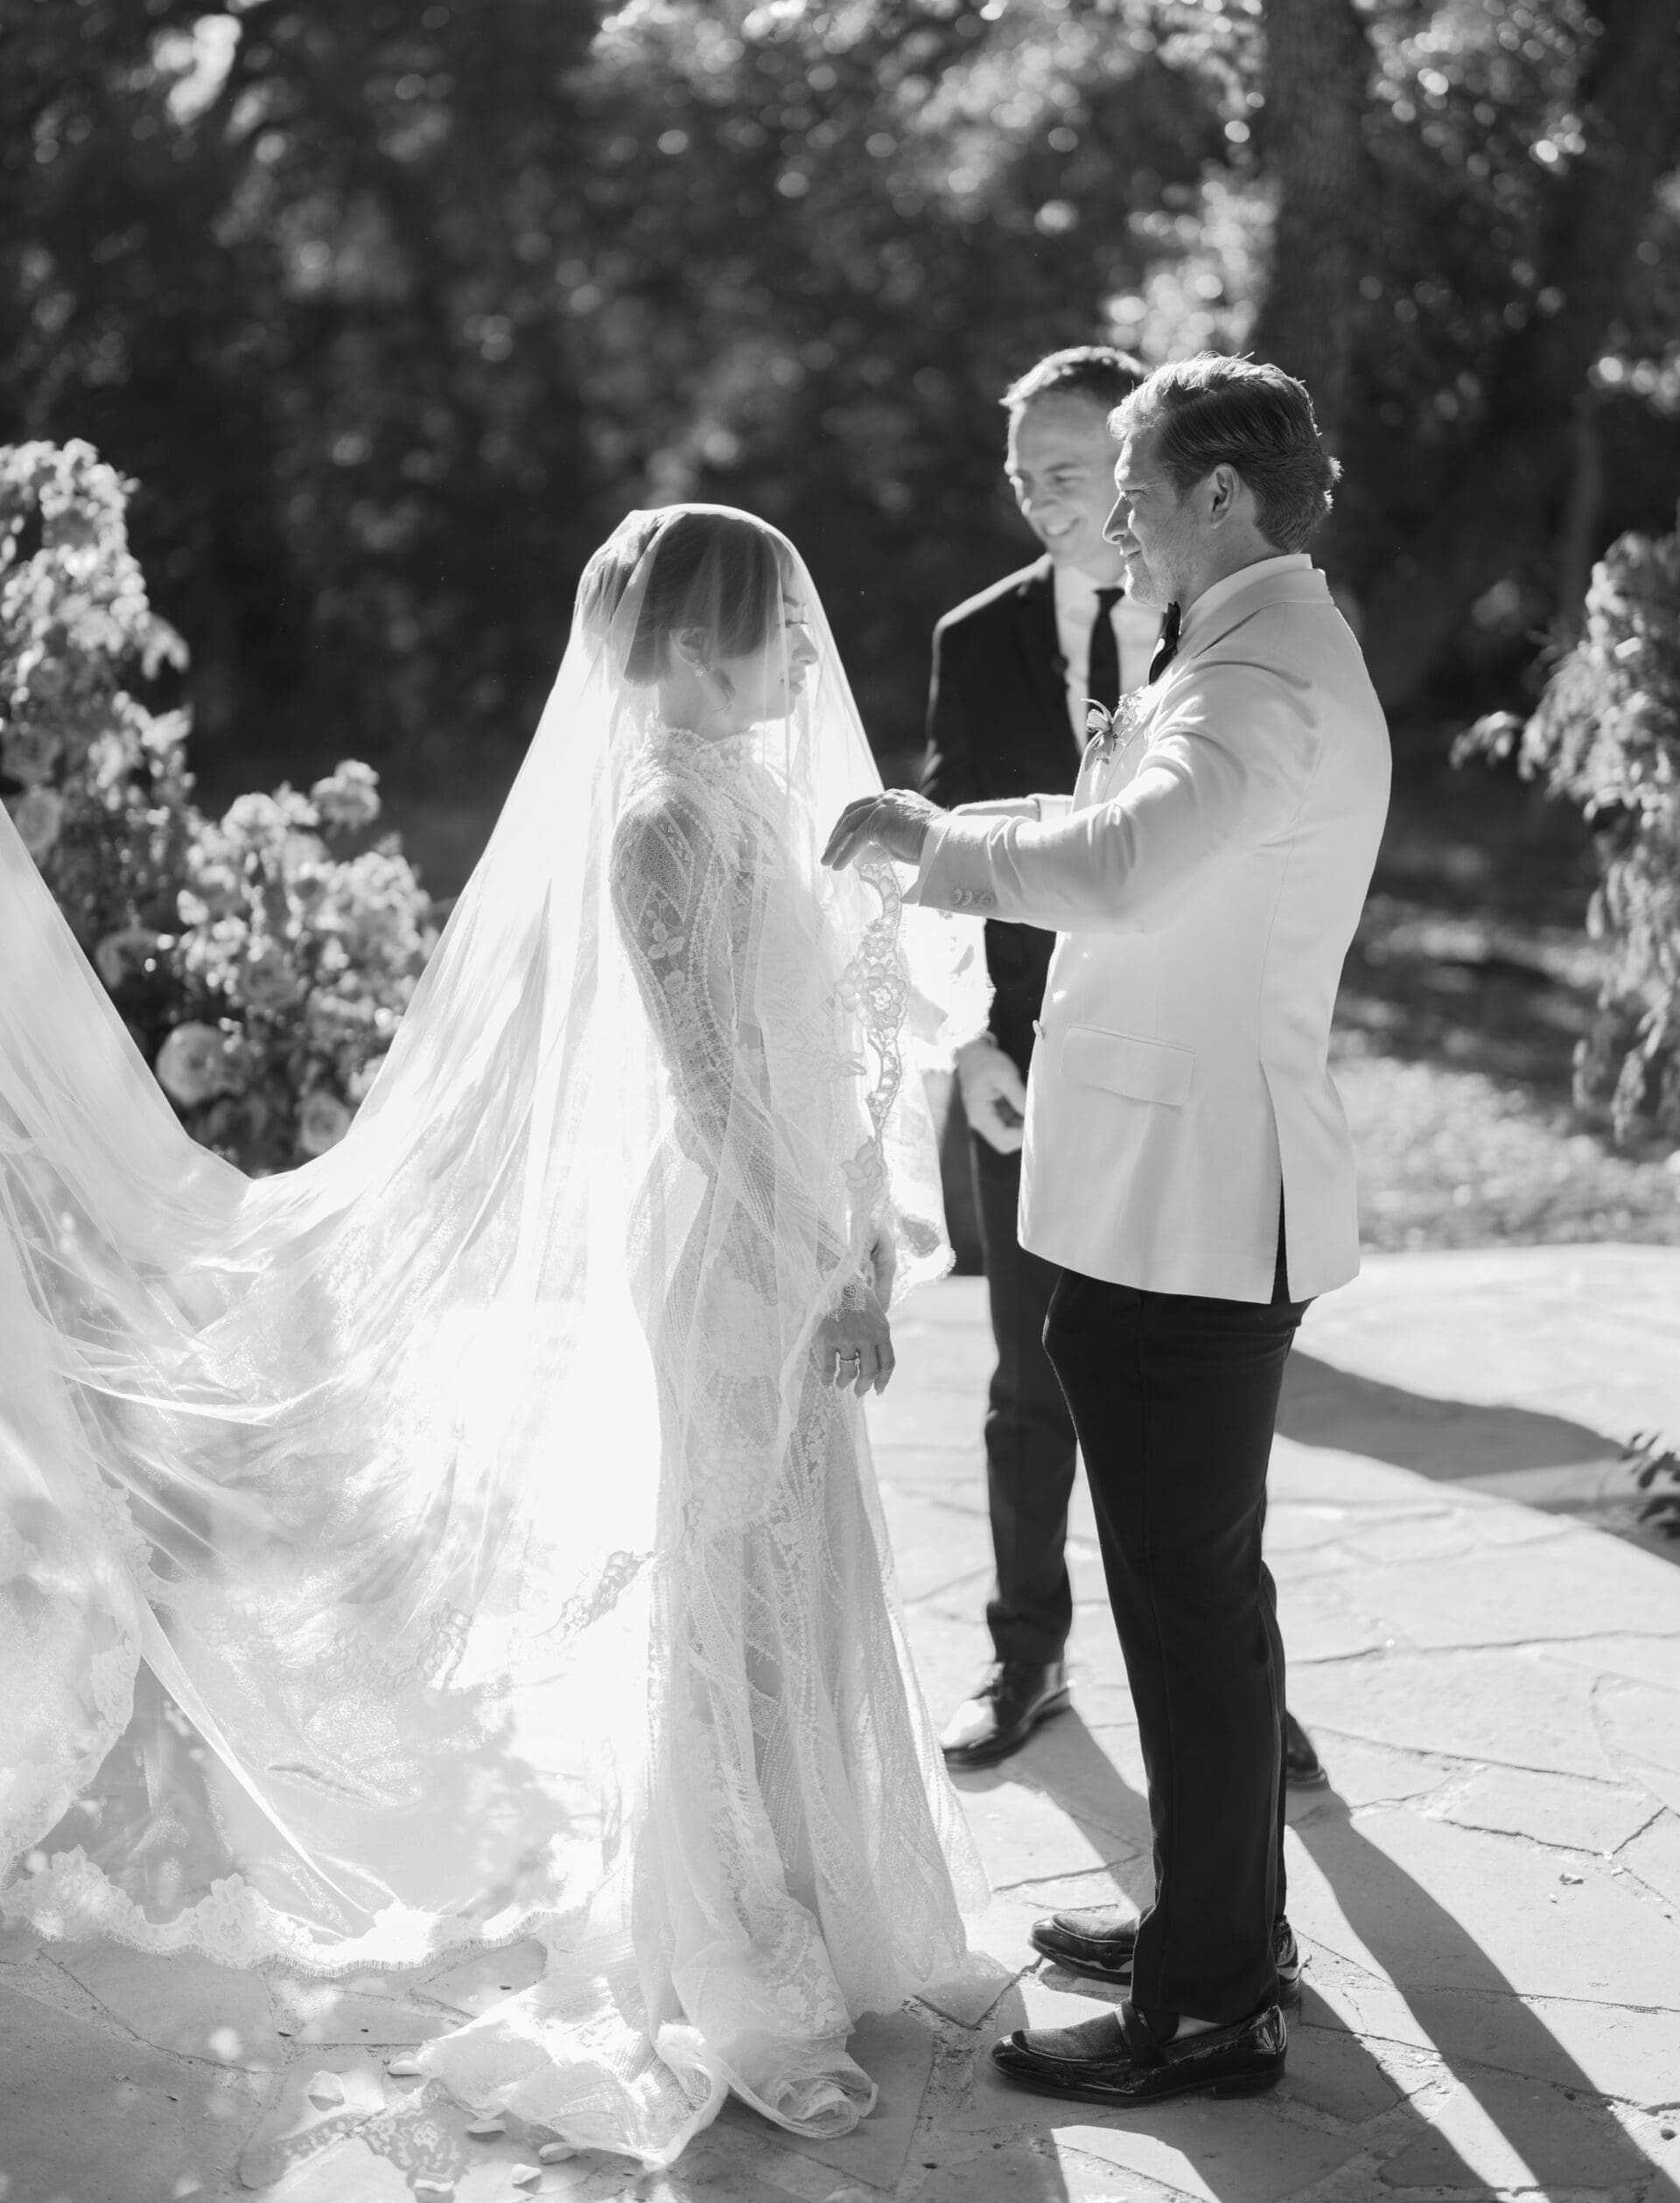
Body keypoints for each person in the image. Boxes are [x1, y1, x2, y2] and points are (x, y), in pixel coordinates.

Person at [0, 505, 990, 2168]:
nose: (812, 645)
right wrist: (820, 1252)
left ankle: (834, 1900)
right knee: (732, 1568)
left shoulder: (761, 799)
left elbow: (816, 1040)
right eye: (778, 622)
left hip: (803, 1233)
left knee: (803, 1568)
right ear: (688, 649)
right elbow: (712, 1085)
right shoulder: (662, 829)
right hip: (735, 1247)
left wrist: (867, 1235)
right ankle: (731, 1933)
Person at [826, 354, 1392, 2104]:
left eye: (1137, 492)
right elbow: (1107, 830)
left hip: (1193, 1213)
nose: (1116, 525)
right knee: (1204, 1606)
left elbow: (1132, 862)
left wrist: (936, 848)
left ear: (1220, 493)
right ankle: (1219, 1928)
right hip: (1177, 1199)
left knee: (1185, 1617)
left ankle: (1212, 2005)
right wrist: (966, 833)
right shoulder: (1253, 651)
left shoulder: (1259, 680)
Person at [923, 344, 1153, 1769]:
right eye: (1021, 480)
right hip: (1020, 1061)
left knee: (1183, 1379)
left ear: (1140, 464)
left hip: (1175, 1061)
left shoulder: (1227, 624)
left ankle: (1229, 1668)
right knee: (1030, 1378)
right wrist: (963, 1046)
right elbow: (949, 861)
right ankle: (1026, 1653)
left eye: (1064, 474)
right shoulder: (973, 636)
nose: (1038, 504)